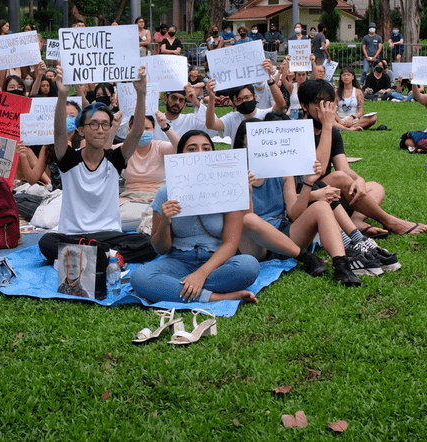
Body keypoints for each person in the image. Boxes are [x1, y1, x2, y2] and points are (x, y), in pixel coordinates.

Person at [32, 63, 157, 261]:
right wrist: (62, 94)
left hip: (108, 234)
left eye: (105, 125)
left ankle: (93, 254)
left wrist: (141, 94)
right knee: (46, 242)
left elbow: (137, 132)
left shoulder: (115, 159)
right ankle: (105, 255)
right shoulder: (69, 159)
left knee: (149, 244)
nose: (100, 129)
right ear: (81, 129)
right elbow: (58, 132)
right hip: (73, 235)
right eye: (94, 124)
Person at [129, 130, 260, 304]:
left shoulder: (229, 187)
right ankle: (214, 296)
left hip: (217, 263)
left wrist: (200, 274)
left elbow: (230, 244)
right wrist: (165, 223)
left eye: (206, 148)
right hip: (178, 260)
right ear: (180, 155)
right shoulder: (166, 192)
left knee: (249, 266)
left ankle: (174, 287)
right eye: (192, 149)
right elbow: (160, 249)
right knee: (139, 277)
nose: (200, 154)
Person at [232, 122, 365, 286]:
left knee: (322, 206)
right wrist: (247, 191)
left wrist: (308, 183)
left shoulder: (281, 171)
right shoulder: (235, 173)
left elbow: (294, 213)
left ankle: (341, 265)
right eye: (252, 141)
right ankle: (306, 258)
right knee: (249, 220)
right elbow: (246, 219)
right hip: (254, 244)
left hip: (284, 233)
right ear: (242, 143)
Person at [300, 79, 427, 236]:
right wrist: (328, 125)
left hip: (331, 197)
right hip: (307, 197)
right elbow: (316, 173)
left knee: (375, 187)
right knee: (339, 177)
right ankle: (390, 221)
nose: (325, 108)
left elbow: (344, 168)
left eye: (329, 102)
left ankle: (356, 221)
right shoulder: (298, 132)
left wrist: (359, 179)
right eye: (318, 103)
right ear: (304, 106)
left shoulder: (333, 133)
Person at [203, 60, 287, 143]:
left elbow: (281, 105)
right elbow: (211, 125)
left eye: (247, 97)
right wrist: (211, 98)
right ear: (234, 104)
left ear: (255, 97)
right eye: (239, 100)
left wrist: (269, 79)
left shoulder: (265, 115)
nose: (244, 101)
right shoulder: (231, 119)